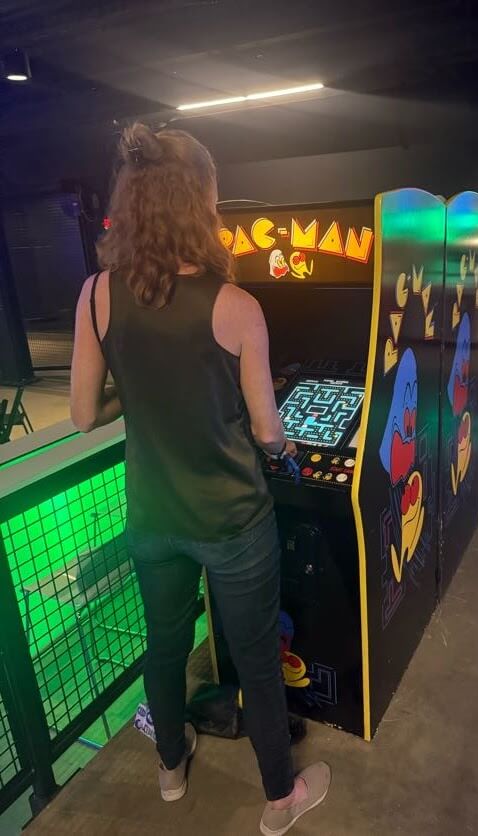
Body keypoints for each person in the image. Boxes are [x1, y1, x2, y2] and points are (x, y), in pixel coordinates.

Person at [70, 122, 331, 835]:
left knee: (162, 643)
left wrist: (141, 387)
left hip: (153, 517)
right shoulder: (236, 306)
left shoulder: (95, 296)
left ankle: (170, 773)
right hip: (233, 521)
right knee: (253, 658)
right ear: (197, 204)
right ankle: (280, 800)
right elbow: (269, 430)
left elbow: (84, 414)